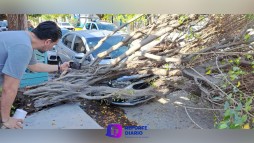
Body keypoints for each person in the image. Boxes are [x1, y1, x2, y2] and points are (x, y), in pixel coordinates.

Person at [0, 21, 70, 129]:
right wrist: (6, 119)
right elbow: (9, 88)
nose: (52, 48)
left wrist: (60, 67)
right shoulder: (24, 47)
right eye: (54, 44)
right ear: (47, 42)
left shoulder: (25, 38)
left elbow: (34, 66)